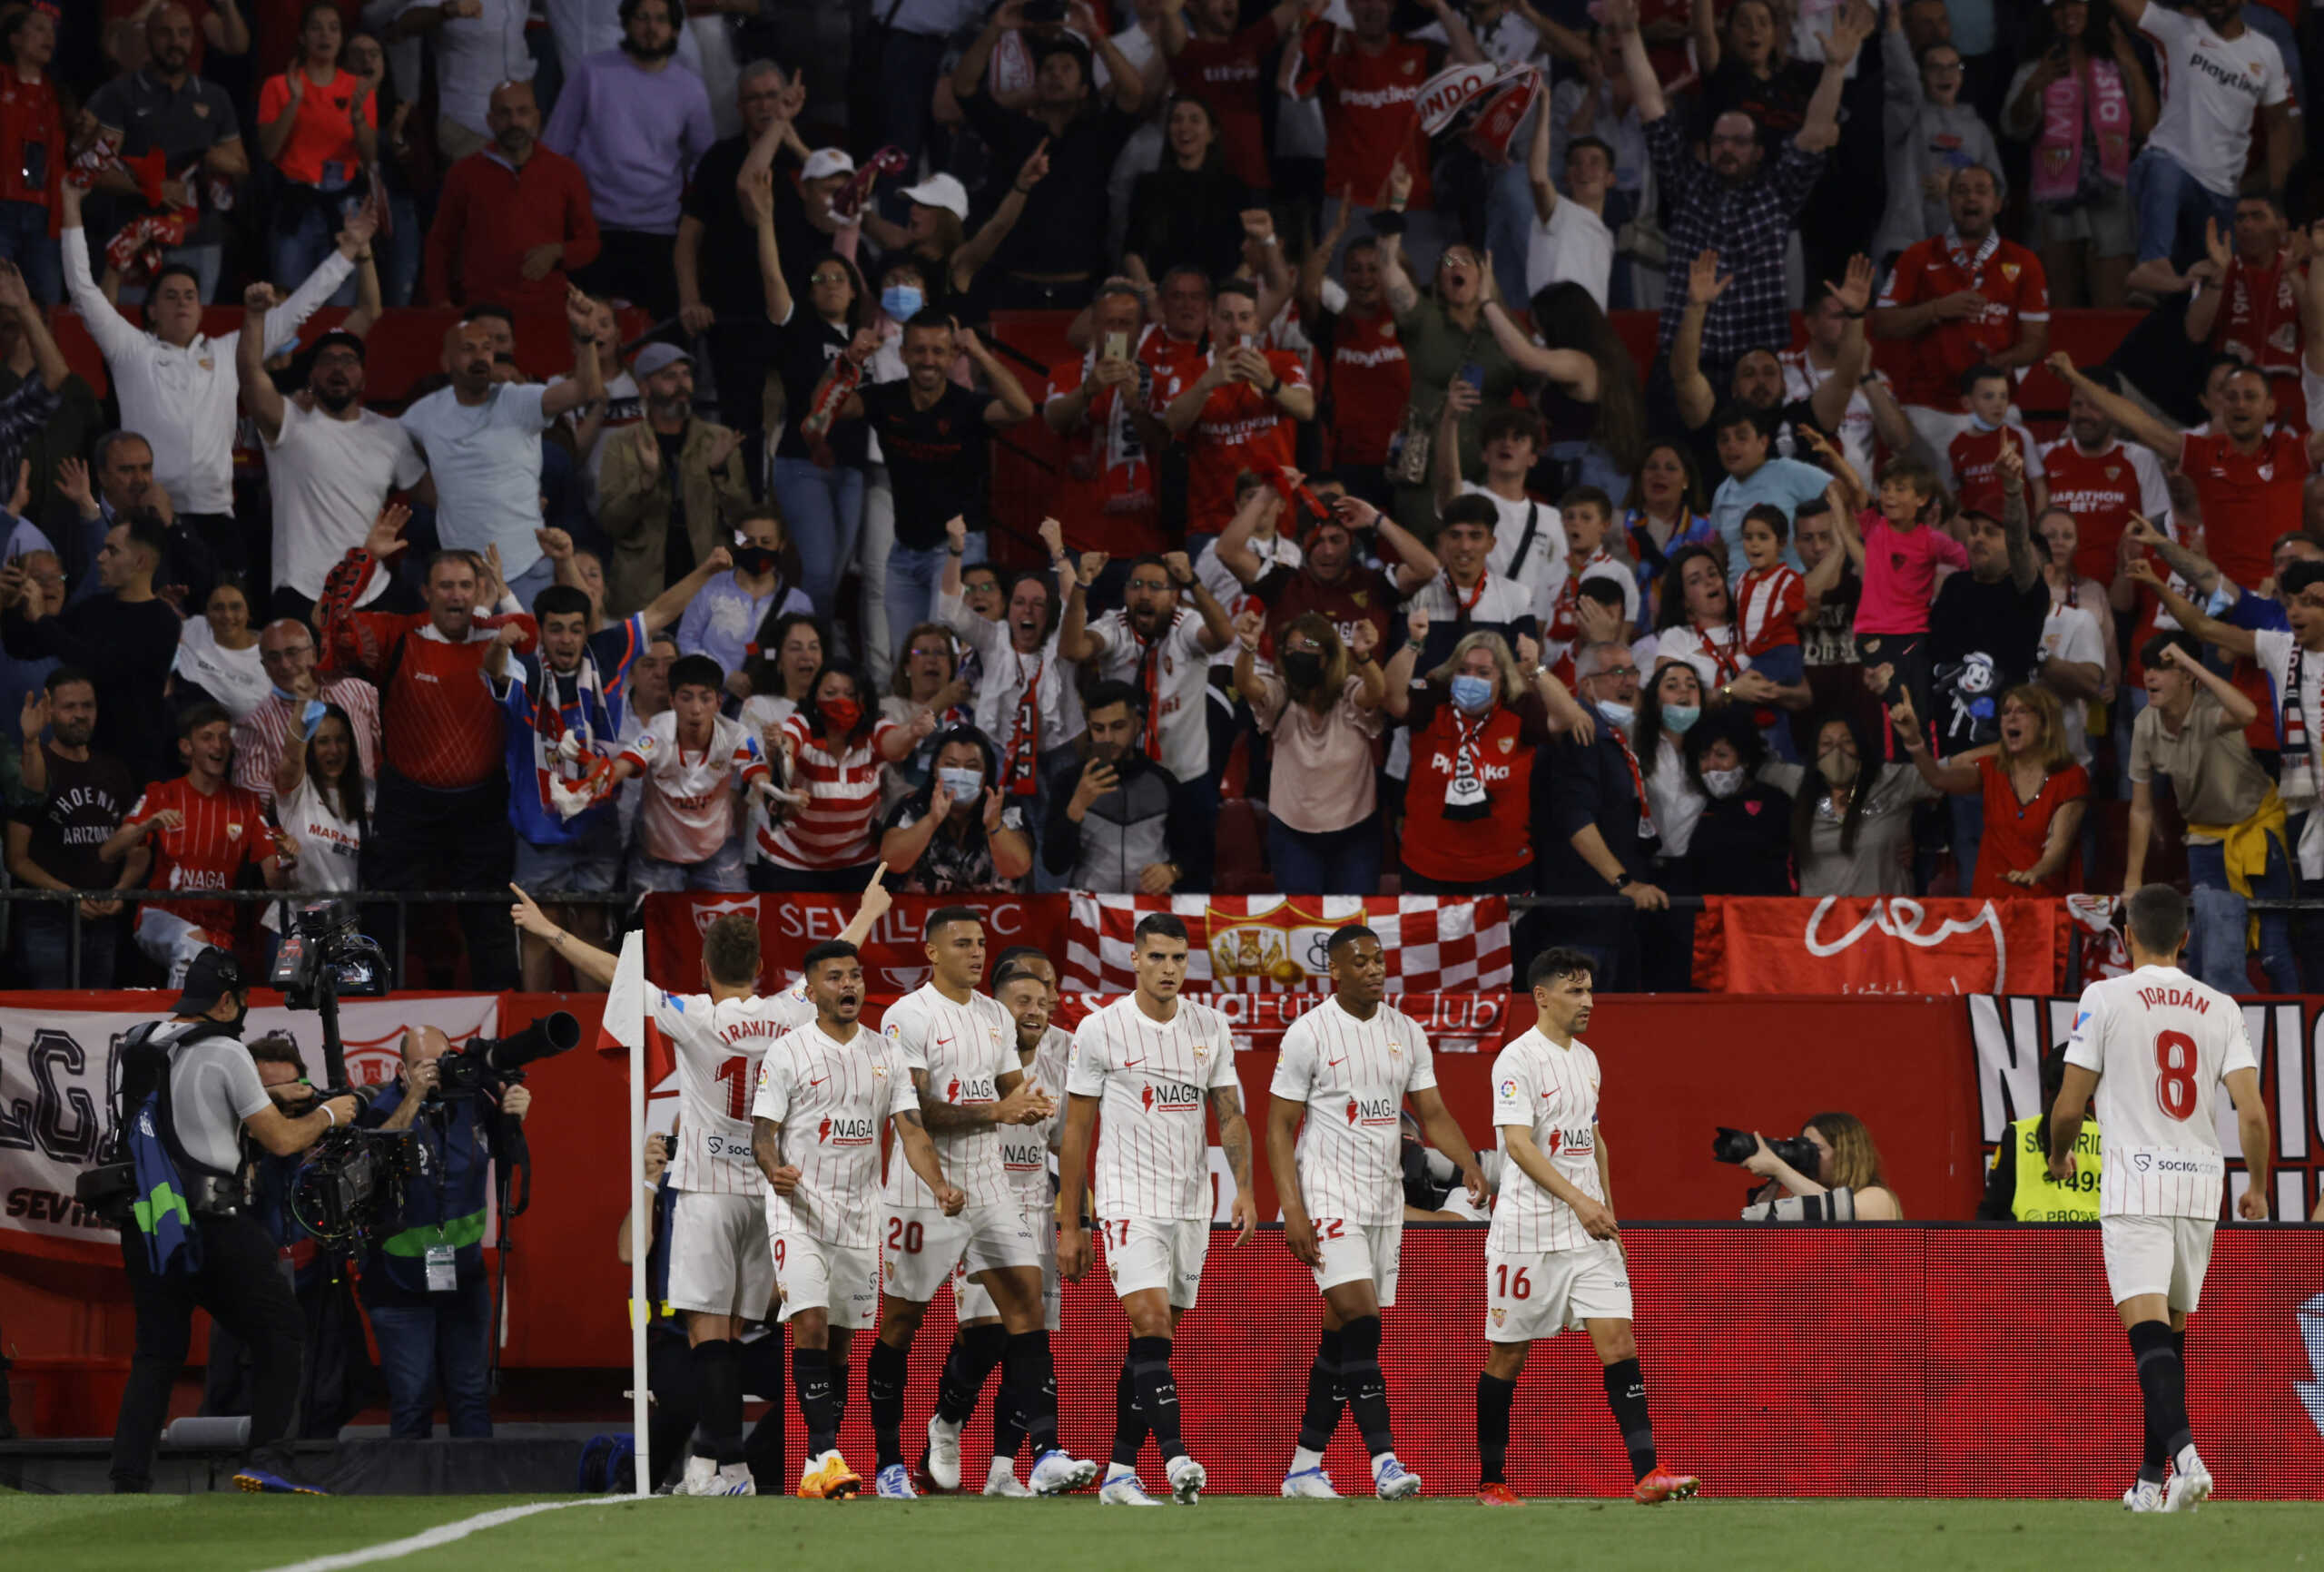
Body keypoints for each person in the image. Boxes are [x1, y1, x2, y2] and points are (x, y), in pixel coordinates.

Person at [516, 882, 887, 1493]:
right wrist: (868, 911)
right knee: (738, 1332)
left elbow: (616, 973)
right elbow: (830, 964)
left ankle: (729, 1466)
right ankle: (714, 1465)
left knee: (708, 1335)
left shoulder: (693, 1015)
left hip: (708, 1190)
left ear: (704, 968)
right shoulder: (788, 1010)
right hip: (768, 1195)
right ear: (762, 968)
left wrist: (550, 931)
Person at [858, 909, 1096, 1500]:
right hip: (923, 1186)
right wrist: (998, 1110)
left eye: (981, 942)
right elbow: (915, 1112)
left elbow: (1013, 1088)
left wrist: (1031, 1101)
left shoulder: (993, 1017)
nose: (975, 951)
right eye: (962, 943)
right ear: (931, 950)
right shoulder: (905, 1016)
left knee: (1025, 1309)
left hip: (990, 1185)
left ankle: (1043, 1455)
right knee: (900, 1323)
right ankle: (890, 1460)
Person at [2053, 881, 2272, 1512]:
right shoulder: (2221, 1007)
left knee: (2147, 1336)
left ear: (2126, 939)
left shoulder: (2105, 996)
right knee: (2170, 1342)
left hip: (2136, 1182)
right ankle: (2151, 1484)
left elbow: (2070, 1104)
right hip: (2200, 1186)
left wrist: (2059, 1152)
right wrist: (2255, 1185)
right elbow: (2252, 1114)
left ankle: (2187, 1458)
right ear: (2186, 937)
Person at [105, 948, 359, 1495]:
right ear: (225, 1001)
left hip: (148, 1221)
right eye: (240, 1000)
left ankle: (127, 1481)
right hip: (212, 1223)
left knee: (156, 1352)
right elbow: (283, 1140)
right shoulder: (227, 1050)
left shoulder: (141, 1039)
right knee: (281, 1332)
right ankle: (268, 1460)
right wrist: (330, 1113)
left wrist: (266, 1094)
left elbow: (185, 1106)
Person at [1269, 923, 1485, 1500]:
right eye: (1358, 960)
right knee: (1364, 1320)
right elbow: (1280, 1125)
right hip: (1328, 1195)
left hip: (1385, 1200)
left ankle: (1303, 1468)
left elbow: (1432, 1112)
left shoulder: (1406, 1032)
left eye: (1377, 958)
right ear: (1334, 970)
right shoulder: (1309, 1034)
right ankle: (1385, 1462)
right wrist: (1292, 1209)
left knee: (1341, 1339)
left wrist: (1469, 1164)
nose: (1372, 968)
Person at [1476, 948, 1699, 1506]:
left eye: (1590, 990)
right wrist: (1580, 1201)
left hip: (1587, 1232)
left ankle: (1647, 1473)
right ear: (1543, 997)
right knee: (1508, 1356)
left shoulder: (1588, 1059)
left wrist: (1607, 1210)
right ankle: (1492, 1480)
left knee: (1619, 1342)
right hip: (1526, 1234)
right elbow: (1518, 1146)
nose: (1588, 1002)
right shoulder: (1516, 1060)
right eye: (1575, 991)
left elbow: (1593, 1138)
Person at [60, 179, 363, 574]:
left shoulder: (226, 353)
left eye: (190, 295)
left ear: (202, 309)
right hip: (147, 513)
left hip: (215, 515)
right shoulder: (132, 350)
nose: (183, 302)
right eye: (171, 296)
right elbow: (83, 292)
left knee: (229, 620)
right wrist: (70, 205)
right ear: (151, 311)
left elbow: (298, 310)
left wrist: (348, 254)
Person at [1058, 912, 1255, 1506]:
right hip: (1127, 1199)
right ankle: (1176, 1459)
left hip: (1192, 1203)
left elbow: (1231, 1113)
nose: (1169, 969)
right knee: (1148, 1324)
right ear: (1135, 960)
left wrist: (1245, 1188)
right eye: (1158, 958)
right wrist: (1074, 1223)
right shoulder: (1100, 1030)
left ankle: (1119, 1472)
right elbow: (1075, 1132)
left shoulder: (1209, 1026)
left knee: (1155, 1345)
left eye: (1178, 958)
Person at [753, 938, 954, 1500]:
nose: (849, 985)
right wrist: (774, 1170)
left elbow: (911, 1129)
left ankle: (821, 1465)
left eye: (855, 976)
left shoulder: (885, 1054)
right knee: (809, 1324)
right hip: (798, 1212)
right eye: (836, 977)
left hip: (862, 1216)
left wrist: (937, 1184)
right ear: (811, 990)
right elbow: (763, 1134)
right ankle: (828, 1453)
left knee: (840, 1347)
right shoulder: (788, 1053)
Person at [316, 505, 537, 989]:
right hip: (407, 801)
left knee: (490, 917)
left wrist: (500, 593)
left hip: (482, 804)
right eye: (445, 586)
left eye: (465, 586)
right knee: (382, 911)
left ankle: (502, 1016)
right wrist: (364, 559)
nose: (456, 595)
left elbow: (532, 634)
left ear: (478, 592)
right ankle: (369, 1010)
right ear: (426, 593)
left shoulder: (496, 636)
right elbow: (333, 626)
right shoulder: (398, 633)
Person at [488, 554, 723, 987]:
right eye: (556, 628)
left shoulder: (608, 652)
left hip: (597, 825)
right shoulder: (526, 667)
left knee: (593, 929)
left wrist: (707, 569)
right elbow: (494, 672)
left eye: (576, 628)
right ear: (541, 631)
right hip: (539, 831)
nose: (567, 639)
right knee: (541, 929)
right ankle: (541, 1035)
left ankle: (599, 1041)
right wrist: (500, 643)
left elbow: (661, 611)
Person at [1612, 0, 1861, 391]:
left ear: (1759, 151)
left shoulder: (1778, 192)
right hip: (1685, 363)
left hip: (1756, 368)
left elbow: (1814, 132)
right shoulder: (1684, 183)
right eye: (1720, 141)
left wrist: (1834, 68)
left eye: (1740, 141)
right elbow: (1651, 106)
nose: (1728, 149)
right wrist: (1628, 35)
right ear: (1708, 146)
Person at [925, 950, 1075, 1497]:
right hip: (978, 1202)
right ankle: (945, 1426)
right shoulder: (968, 1047)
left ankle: (1006, 1466)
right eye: (1025, 1001)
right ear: (994, 1007)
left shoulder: (1064, 1054)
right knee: (987, 1338)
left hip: (1034, 1207)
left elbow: (1066, 1143)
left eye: (1046, 998)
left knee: (1027, 1338)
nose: (1039, 1009)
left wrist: (1075, 1216)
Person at [353, 1023, 531, 1441]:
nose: (435, 1072)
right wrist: (414, 1097)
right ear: (401, 1070)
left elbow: (507, 1155)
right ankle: (412, 1496)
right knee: (413, 1397)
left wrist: (515, 1115)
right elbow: (370, 1164)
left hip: (464, 1280)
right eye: (421, 1065)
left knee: (470, 1394)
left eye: (442, 1061)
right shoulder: (384, 1107)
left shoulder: (475, 1103)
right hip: (396, 1286)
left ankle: (476, 1496)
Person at [812, 313, 1036, 638]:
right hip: (904, 551)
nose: (928, 360)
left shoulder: (966, 405)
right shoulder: (885, 398)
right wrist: (848, 358)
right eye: (919, 350)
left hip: (957, 548)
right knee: (909, 660)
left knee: (941, 649)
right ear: (903, 354)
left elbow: (1022, 409)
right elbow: (823, 407)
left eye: (937, 351)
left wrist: (979, 352)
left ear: (952, 356)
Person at [2050, 351, 2322, 603]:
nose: (2240, 405)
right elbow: (2140, 423)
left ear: (2270, 406)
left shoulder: (2292, 452)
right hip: (2222, 602)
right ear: (2220, 406)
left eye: (2250, 397)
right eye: (2231, 397)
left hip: (2280, 599)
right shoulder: (2202, 453)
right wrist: (2075, 378)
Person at [400, 291, 606, 612]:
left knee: (529, 660)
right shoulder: (424, 414)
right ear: (446, 361)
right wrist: (429, 489)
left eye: (487, 349)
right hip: (461, 580)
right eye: (468, 349)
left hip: (527, 569)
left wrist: (585, 335)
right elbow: (388, 449)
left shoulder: (517, 400)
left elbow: (586, 390)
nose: (480, 357)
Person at [235, 296, 425, 624]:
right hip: (301, 591)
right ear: (311, 376)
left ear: (364, 378)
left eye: (349, 360)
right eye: (327, 359)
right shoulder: (286, 421)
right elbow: (249, 372)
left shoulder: (391, 433)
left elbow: (438, 495)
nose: (338, 367)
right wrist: (254, 317)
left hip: (373, 590)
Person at [2124, 632, 2294, 995]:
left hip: (2257, 831)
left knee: (2273, 951)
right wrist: (2132, 880)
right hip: (2203, 839)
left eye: (2163, 668)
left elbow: (2247, 712)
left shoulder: (2211, 710)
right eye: (2148, 669)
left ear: (2187, 675)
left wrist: (2190, 662)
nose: (2150, 676)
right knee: (2209, 957)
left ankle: (2297, 1037)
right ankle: (2229, 1034)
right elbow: (2141, 810)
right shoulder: (2145, 725)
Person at [949, 5, 1147, 309]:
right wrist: (996, 28)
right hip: (1013, 289)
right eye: (1049, 69)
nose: (1056, 75)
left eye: (1067, 68)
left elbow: (1134, 94)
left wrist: (1095, 34)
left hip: (1083, 292)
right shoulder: (1012, 131)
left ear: (1084, 89)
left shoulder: (1099, 135)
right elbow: (963, 87)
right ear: (1037, 83)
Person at [1384, 622, 1586, 893]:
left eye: (1483, 672)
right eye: (1463, 670)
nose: (1470, 679)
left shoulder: (1519, 708)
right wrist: (1413, 643)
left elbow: (1566, 717)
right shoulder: (1433, 700)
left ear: (1502, 677)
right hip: (1428, 871)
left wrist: (1536, 667)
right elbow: (1391, 698)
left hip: (1502, 873)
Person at [1868, 165, 2051, 461]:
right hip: (1927, 409)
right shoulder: (1918, 256)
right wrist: (1937, 308)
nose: (1971, 199)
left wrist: (2000, 362)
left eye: (1981, 191)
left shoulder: (2024, 262)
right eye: (1962, 191)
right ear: (1950, 201)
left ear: (1997, 204)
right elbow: (1882, 324)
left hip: (1993, 408)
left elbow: (2036, 342)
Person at [542, 0, 712, 318]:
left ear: (675, 28)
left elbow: (703, 163)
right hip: (593, 232)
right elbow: (554, 151)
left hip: (659, 234)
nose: (651, 28)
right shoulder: (591, 72)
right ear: (627, 23)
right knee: (589, 338)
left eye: (661, 19)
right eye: (642, 18)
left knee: (663, 345)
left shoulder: (691, 88)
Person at [103, 702, 294, 983]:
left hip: (219, 932)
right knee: (192, 946)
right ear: (186, 746)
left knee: (208, 966)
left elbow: (274, 880)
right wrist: (147, 825)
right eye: (207, 737)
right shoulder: (162, 795)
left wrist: (288, 857)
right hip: (159, 917)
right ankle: (182, 1024)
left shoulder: (247, 804)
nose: (218, 746)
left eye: (224, 738)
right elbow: (108, 852)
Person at [2115, 0, 2293, 296]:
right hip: (2169, 168)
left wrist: (2276, 192)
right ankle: (2152, 264)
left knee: (2227, 287)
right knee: (2162, 166)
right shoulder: (2177, 29)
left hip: (2225, 190)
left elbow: (2279, 124)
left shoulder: (2266, 51)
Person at [83, 4, 251, 302]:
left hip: (201, 240)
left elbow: (240, 166)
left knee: (191, 336)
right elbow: (94, 170)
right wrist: (151, 187)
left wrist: (217, 159)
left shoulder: (215, 97)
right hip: (136, 238)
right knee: (130, 339)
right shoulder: (120, 94)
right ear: (148, 38)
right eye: (165, 33)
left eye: (184, 33)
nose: (176, 42)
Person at [0, 513, 182, 786]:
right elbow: (25, 647)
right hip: (83, 762)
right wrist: (10, 606)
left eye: (112, 551)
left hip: (135, 767)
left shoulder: (162, 620)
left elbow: (101, 666)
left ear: (140, 561)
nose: (100, 558)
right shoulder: (94, 609)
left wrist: (41, 619)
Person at [2001, 0, 2154, 309]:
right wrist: (2033, 87)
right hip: (2055, 196)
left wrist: (2132, 65)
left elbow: (2146, 126)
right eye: (2058, 7)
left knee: (2111, 308)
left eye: (2076, 3)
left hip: (2111, 196)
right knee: (2060, 309)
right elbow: (2013, 129)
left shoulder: (2116, 61)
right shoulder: (2037, 65)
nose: (2068, 13)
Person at [1237, 610, 1386, 894]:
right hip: (1293, 835)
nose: (1297, 655)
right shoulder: (1279, 693)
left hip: (1354, 833)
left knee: (1353, 923)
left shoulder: (1348, 691)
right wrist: (1247, 647)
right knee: (1301, 924)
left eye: (1308, 648)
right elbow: (1247, 685)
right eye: (1291, 649)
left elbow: (1376, 692)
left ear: (1328, 656)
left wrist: (1365, 657)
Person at [597, 341, 750, 618]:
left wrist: (718, 473)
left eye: (686, 375)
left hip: (708, 586)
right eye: (669, 377)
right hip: (644, 592)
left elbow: (742, 521)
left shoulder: (717, 439)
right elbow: (610, 523)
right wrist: (645, 481)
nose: (682, 385)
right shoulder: (622, 444)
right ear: (644, 388)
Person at [6, 670, 139, 987]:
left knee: (97, 1023)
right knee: (48, 1019)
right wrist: (71, 897)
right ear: (48, 711)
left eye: (88, 706)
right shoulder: (32, 767)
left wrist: (120, 890)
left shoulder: (114, 770)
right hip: (46, 919)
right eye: (70, 707)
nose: (80, 715)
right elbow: (16, 858)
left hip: (105, 919)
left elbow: (137, 845)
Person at [1894, 683, 2089, 898]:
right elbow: (1938, 778)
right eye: (2006, 712)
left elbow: (2057, 850)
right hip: (1991, 910)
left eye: (2022, 711)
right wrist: (1914, 742)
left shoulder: (2070, 777)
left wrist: (2034, 873)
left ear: (2045, 724)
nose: (2011, 718)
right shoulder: (1992, 770)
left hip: (2044, 908)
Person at [1060, 545, 1235, 785]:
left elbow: (1224, 638)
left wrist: (1192, 581)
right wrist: (1081, 586)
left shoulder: (1186, 625)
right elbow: (1072, 650)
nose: (1143, 595)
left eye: (1155, 587)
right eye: (1136, 585)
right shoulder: (1114, 626)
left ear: (1174, 597)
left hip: (1185, 776)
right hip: (1121, 771)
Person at [423, 78, 600, 309]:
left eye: (522, 112)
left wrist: (559, 252)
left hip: (548, 308)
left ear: (536, 118)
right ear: (490, 121)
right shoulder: (463, 174)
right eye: (504, 113)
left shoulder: (565, 172)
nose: (514, 121)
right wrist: (441, 301)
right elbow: (440, 244)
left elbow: (589, 244)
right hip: (483, 312)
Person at [609, 653, 772, 892]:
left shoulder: (736, 735)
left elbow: (758, 775)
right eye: (686, 698)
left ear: (719, 702)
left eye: (705, 699)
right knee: (648, 927)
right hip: (657, 855)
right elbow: (625, 764)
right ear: (672, 701)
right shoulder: (657, 730)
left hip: (717, 851)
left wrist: (774, 793)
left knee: (738, 923)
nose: (696, 709)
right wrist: (596, 781)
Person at [255, 2, 377, 305]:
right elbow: (268, 150)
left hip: (343, 212)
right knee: (289, 305)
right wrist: (294, 102)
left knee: (340, 304)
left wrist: (359, 118)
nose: (325, 35)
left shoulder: (359, 88)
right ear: (302, 37)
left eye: (333, 28)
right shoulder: (278, 86)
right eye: (316, 27)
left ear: (342, 37)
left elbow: (370, 158)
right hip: (295, 209)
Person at [1039, 680, 1207, 894]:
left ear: (1137, 725)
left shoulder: (1164, 781)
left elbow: (1195, 851)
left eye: (1118, 726)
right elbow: (1054, 865)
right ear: (1089, 728)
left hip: (1149, 909)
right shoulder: (1069, 782)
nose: (1108, 738)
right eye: (1098, 728)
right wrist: (1076, 808)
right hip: (1092, 911)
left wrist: (1172, 870)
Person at [1870, 16, 2002, 263]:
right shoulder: (1905, 119)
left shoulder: (1978, 128)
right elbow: (1902, 80)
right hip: (1908, 245)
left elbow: (1998, 189)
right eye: (1935, 67)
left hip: (1964, 250)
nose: (1946, 74)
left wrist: (1961, 189)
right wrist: (1894, 21)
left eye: (1954, 67)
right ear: (1921, 75)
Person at [1776, 711, 1939, 897]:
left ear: (1861, 745)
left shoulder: (1891, 780)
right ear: (1814, 751)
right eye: (1826, 744)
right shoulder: (1799, 782)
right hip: (1821, 921)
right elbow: (1747, 762)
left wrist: (1915, 743)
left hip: (1885, 920)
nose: (1837, 751)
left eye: (1846, 741)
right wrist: (1734, 692)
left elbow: (1948, 775)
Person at [231, 618, 380, 800]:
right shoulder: (254, 724)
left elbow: (393, 752)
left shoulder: (360, 692)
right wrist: (309, 803)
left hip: (368, 815)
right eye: (274, 658)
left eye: (292, 653)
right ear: (265, 667)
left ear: (314, 654)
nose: (285, 665)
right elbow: (249, 788)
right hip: (303, 824)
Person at [878, 727, 1032, 894]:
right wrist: (931, 820)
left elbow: (1018, 868)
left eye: (972, 767)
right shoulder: (912, 807)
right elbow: (891, 862)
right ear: (936, 768)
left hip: (993, 917)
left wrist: (994, 825)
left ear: (986, 772)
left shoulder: (1005, 809)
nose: (961, 774)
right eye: (951, 765)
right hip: (922, 918)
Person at [675, 507, 811, 678]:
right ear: (737, 542)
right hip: (713, 697)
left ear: (781, 545)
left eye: (766, 541)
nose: (757, 548)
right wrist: (723, 676)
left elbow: (803, 657)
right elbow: (686, 640)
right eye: (749, 541)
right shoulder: (710, 587)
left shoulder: (798, 603)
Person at [1977, 1049, 2102, 1223]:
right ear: (2092, 1086)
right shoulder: (2110, 1134)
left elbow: (1993, 1211)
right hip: (2096, 1244)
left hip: (2030, 1245)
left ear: (2046, 1084)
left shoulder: (2018, 1134)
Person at [1680, 707, 1793, 894]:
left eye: (1722, 755)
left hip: (1762, 915)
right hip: (1709, 917)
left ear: (1745, 758)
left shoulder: (1776, 803)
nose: (1712, 765)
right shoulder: (1696, 804)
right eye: (1703, 757)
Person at [0, 4, 63, 304]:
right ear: (14, 38)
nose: (48, 36)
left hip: (43, 213)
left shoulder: (59, 95)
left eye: (51, 31)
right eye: (38, 28)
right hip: (2, 207)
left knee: (47, 300)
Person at [1738, 1111, 1904, 1219]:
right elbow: (1758, 1231)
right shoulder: (1801, 1198)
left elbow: (1840, 1213)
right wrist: (1776, 1179)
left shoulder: (1877, 1197)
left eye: (1816, 1149)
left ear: (1845, 1153)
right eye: (1805, 1147)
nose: (1810, 1156)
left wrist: (1779, 1168)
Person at [172, 577, 266, 721]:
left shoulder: (268, 656)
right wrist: (157, 605)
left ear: (249, 613)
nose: (227, 615)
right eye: (218, 608)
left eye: (235, 607)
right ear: (207, 613)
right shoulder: (193, 628)